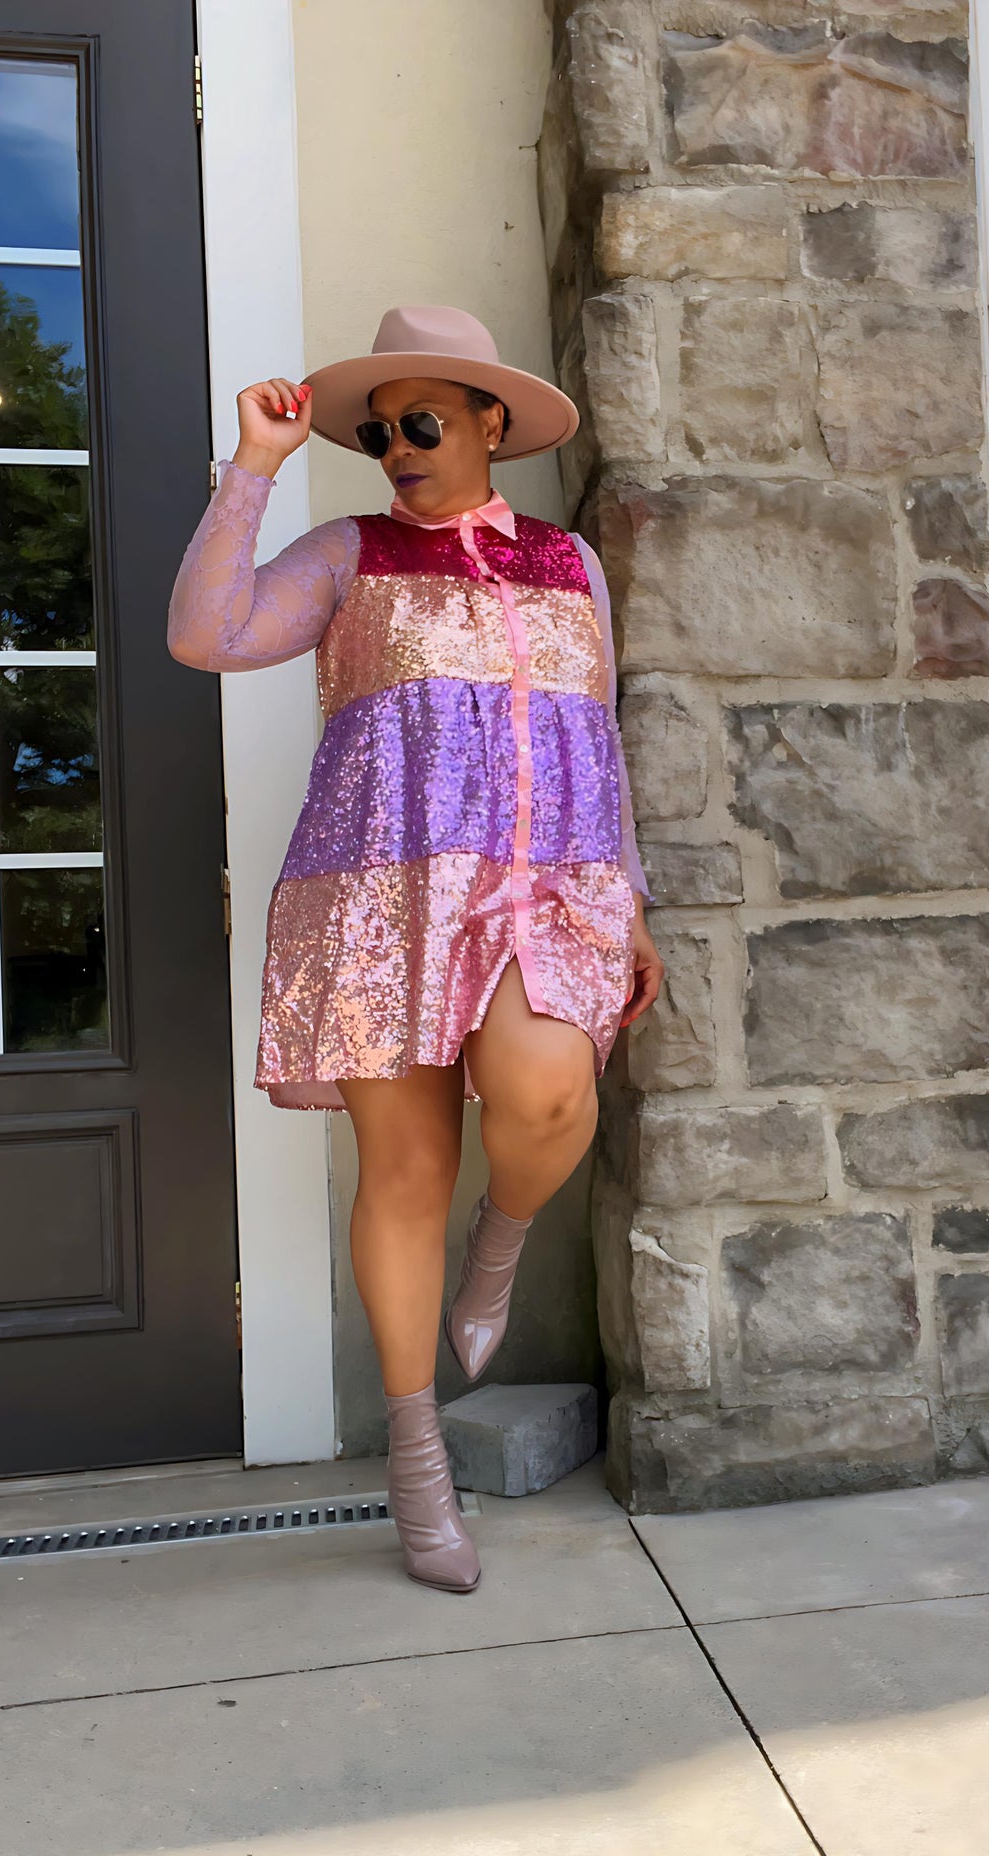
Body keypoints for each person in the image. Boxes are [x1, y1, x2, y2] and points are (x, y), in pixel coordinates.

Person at [167, 305, 664, 1594]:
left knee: (553, 1091)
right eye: (380, 429)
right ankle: (415, 1455)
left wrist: (633, 905)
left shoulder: (569, 565)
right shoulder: (349, 555)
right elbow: (206, 636)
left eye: (424, 421)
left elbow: (597, 741)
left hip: (548, 891)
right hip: (384, 902)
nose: (397, 445)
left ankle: (496, 1249)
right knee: (402, 1170)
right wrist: (257, 468)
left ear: (493, 424)